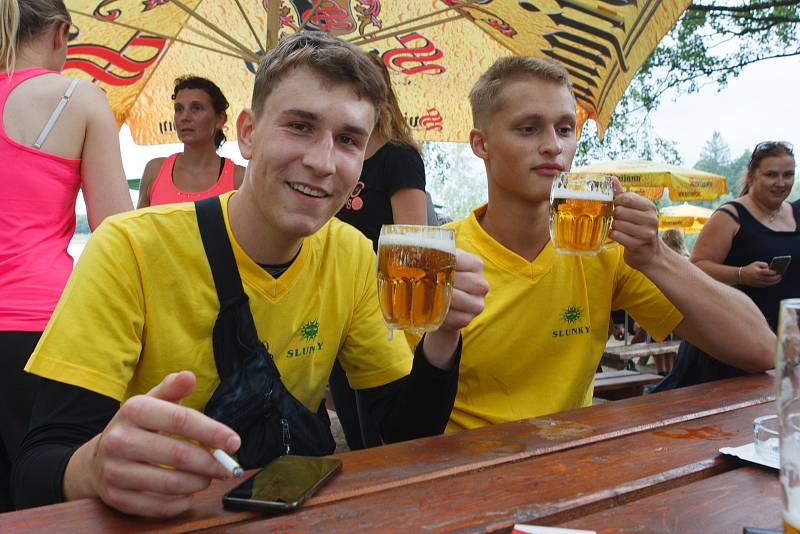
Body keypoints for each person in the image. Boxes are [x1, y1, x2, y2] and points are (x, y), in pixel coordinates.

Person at [13, 32, 488, 518]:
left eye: (347, 140)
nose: (323, 161)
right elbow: (37, 467)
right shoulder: (130, 249)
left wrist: (444, 336)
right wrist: (94, 467)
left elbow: (401, 433)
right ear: (247, 133)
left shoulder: (350, 255)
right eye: (300, 126)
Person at [441, 55, 774, 431]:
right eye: (529, 129)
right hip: (465, 474)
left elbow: (760, 349)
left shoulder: (607, 251)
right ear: (481, 144)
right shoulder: (441, 257)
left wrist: (656, 255)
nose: (553, 145)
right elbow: (397, 413)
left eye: (565, 129)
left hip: (572, 465)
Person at [0, 0, 132, 512]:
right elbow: (115, 234)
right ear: (60, 33)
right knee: (58, 498)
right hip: (43, 329)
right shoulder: (77, 97)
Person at [332, 52, 428, 450]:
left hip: (381, 314)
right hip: (335, 304)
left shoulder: (399, 157)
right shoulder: (335, 157)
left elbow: (413, 243)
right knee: (354, 434)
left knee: (380, 437)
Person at [654, 141, 798, 388]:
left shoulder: (797, 213)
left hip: (786, 336)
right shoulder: (730, 216)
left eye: (788, 175)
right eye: (771, 174)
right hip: (732, 339)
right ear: (751, 176)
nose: (781, 182)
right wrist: (742, 274)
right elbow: (695, 268)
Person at [137, 76, 245, 207]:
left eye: (196, 108)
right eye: (179, 109)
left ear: (220, 119)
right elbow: (138, 226)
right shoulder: (155, 170)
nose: (185, 117)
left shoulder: (239, 179)